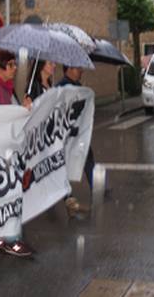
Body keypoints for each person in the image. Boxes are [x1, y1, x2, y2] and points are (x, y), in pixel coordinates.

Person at [0, 50, 33, 258]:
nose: (14, 68)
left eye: (14, 64)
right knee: (6, 197)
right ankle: (11, 240)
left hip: (12, 154)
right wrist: (19, 113)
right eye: (10, 65)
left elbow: (16, 121)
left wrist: (24, 109)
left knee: (10, 197)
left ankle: (4, 238)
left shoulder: (10, 90)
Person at [56, 65, 95, 218]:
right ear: (68, 69)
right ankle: (68, 199)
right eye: (77, 68)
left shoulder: (78, 87)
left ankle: (94, 188)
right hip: (67, 135)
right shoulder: (62, 88)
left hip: (78, 134)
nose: (81, 71)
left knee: (88, 157)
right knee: (63, 165)